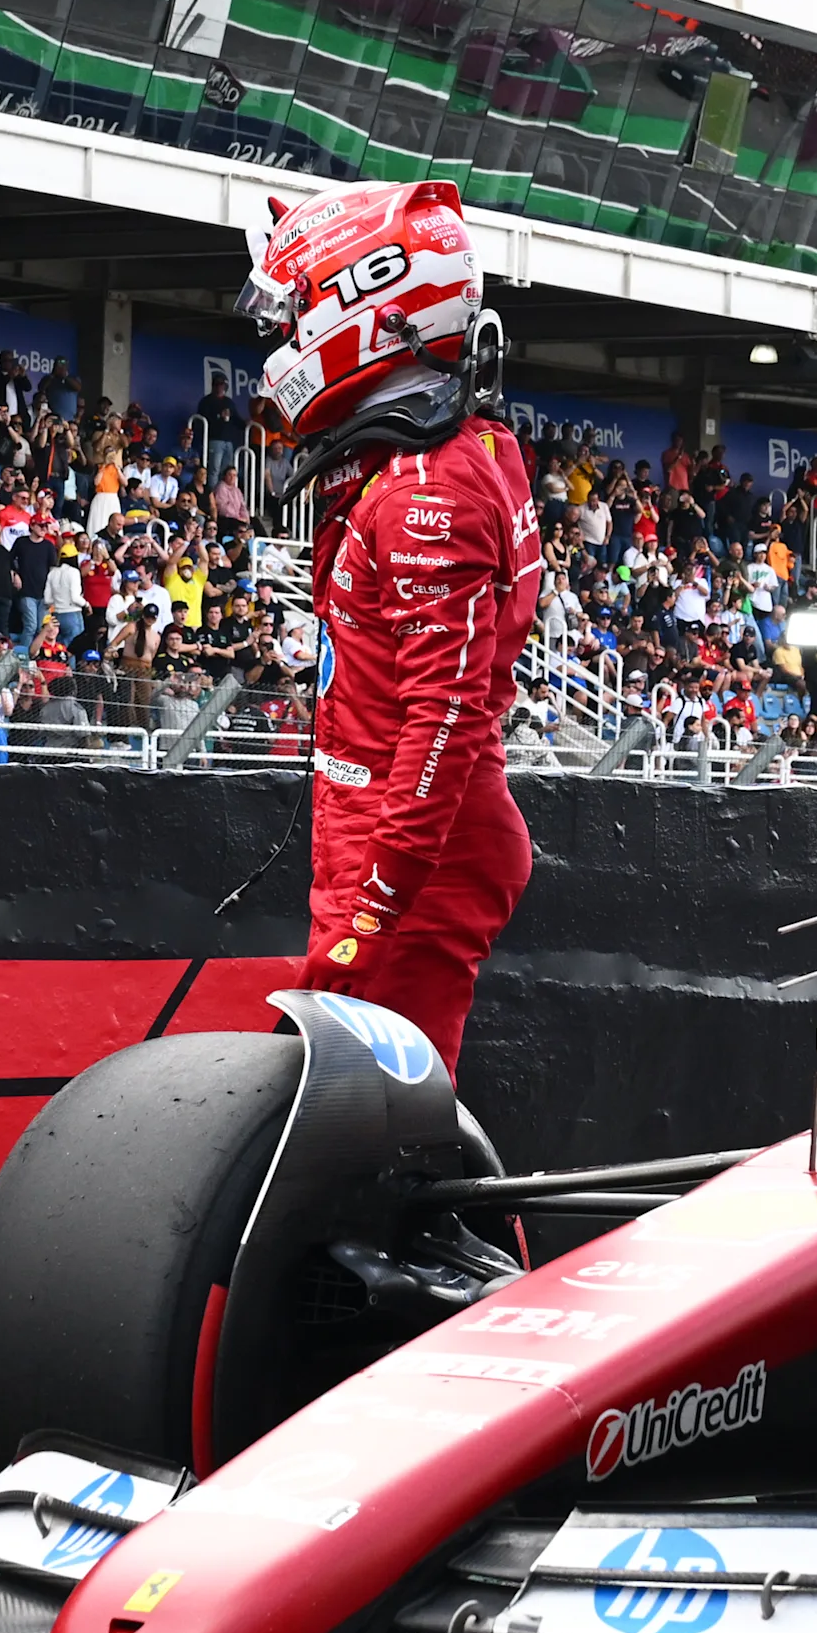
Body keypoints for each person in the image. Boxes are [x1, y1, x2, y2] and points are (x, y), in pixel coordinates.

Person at [243, 177, 541, 1073]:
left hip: (409, 861)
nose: (280, 341)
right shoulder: (453, 451)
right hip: (391, 839)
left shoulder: (424, 491)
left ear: (365, 308)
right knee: (357, 1135)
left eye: (292, 315)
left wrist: (369, 916)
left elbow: (442, 724)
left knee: (376, 1148)